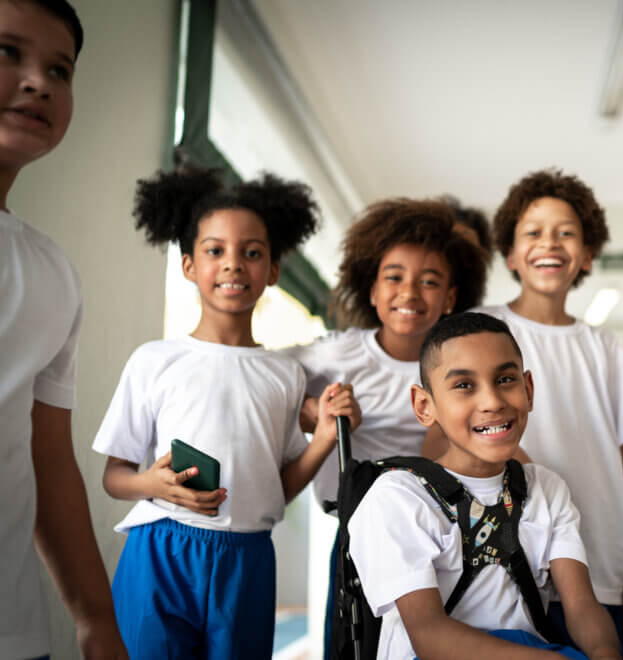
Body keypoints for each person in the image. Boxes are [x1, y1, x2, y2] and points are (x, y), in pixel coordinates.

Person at [92, 167, 358, 658]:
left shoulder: (285, 374)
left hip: (248, 557)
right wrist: (151, 485)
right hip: (161, 550)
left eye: (252, 253)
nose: (233, 264)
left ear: (273, 270)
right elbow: (114, 476)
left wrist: (323, 436)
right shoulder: (154, 360)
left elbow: (276, 486)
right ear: (190, 265)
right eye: (215, 251)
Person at [349, 311, 623, 659]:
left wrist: (605, 655)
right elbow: (429, 635)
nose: (493, 402)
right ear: (425, 406)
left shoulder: (546, 488)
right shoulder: (399, 498)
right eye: (464, 385)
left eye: (505, 380)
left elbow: (581, 606)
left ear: (528, 389)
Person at [282, 197, 487, 655]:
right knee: (355, 646)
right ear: (372, 290)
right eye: (394, 278)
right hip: (359, 532)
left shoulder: (462, 361)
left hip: (446, 530)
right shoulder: (338, 354)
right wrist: (318, 412)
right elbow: (266, 383)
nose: (410, 293)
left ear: (450, 298)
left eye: (429, 281)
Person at [477, 168, 623, 649]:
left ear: (588, 254)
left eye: (566, 233)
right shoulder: (482, 330)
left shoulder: (601, 345)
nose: (549, 243)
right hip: (516, 566)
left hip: (607, 567)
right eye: (533, 233)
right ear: (511, 254)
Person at [0, 1, 127, 657]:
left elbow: (49, 458)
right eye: (7, 53)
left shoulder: (51, 271)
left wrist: (96, 619)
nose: (38, 81)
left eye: (59, 69)